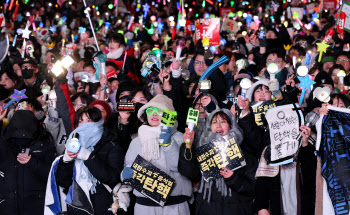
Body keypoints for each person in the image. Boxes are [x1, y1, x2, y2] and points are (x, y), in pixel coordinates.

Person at [122, 94, 192, 214]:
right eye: (150, 110)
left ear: (169, 115)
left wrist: (169, 144)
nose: (154, 114)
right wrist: (125, 174)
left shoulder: (181, 138)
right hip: (144, 205)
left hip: (174, 205)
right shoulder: (136, 141)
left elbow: (179, 167)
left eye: (159, 111)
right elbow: (127, 168)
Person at [178, 108, 255, 215]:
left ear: (231, 125)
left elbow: (254, 187)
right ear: (210, 127)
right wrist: (188, 147)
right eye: (214, 122)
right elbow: (189, 173)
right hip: (207, 209)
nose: (218, 125)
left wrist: (234, 179)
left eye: (223, 121)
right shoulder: (202, 151)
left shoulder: (243, 153)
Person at [53, 107, 124, 215]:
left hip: (103, 206)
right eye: (81, 121)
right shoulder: (71, 144)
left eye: (89, 120)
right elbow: (63, 182)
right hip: (78, 207)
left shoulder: (111, 144)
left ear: (99, 122)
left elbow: (113, 177)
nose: (85, 124)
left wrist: (89, 157)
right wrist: (66, 160)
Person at [0, 110, 56, 215]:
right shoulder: (4, 144)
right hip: (7, 205)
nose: (22, 137)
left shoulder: (44, 145)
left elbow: (53, 176)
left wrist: (33, 162)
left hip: (35, 206)